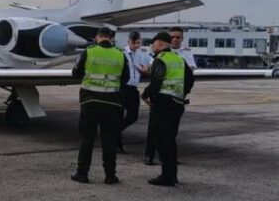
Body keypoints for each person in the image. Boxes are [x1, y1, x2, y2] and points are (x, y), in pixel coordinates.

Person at [70, 27, 130, 184]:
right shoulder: (120, 54)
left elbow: (76, 73)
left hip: (90, 101)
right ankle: (110, 176)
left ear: (98, 37)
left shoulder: (89, 52)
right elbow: (126, 79)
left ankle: (82, 173)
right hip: (112, 103)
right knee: (109, 140)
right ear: (111, 38)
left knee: (87, 139)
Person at [141, 32, 194, 186]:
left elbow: (156, 81)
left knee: (161, 140)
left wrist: (145, 95)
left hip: (163, 104)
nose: (152, 46)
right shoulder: (179, 59)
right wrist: (182, 93)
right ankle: (172, 175)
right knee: (170, 139)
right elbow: (190, 79)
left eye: (153, 44)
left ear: (160, 44)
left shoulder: (160, 59)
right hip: (177, 103)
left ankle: (166, 176)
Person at [118, 31, 152, 153]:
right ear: (128, 42)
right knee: (119, 115)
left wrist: (146, 67)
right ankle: (117, 143)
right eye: (134, 43)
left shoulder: (142, 54)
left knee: (133, 116)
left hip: (133, 89)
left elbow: (152, 62)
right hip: (121, 89)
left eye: (138, 42)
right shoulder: (121, 53)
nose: (136, 45)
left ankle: (114, 132)